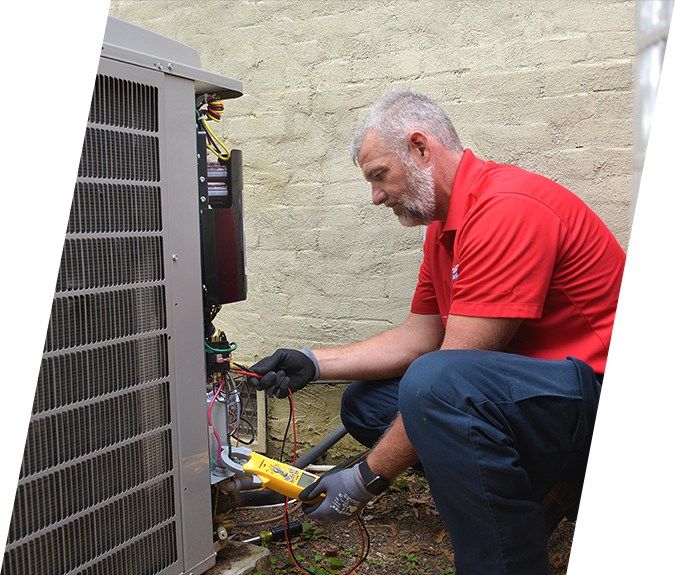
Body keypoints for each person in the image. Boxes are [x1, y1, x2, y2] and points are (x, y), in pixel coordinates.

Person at [248, 89, 625, 575]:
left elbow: (453, 370)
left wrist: (363, 480)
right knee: (368, 404)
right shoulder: (445, 226)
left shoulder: (507, 207)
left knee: (437, 386)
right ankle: (532, 495)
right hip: (538, 395)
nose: (376, 196)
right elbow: (420, 336)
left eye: (379, 176)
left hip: (598, 397)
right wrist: (314, 362)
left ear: (421, 148)